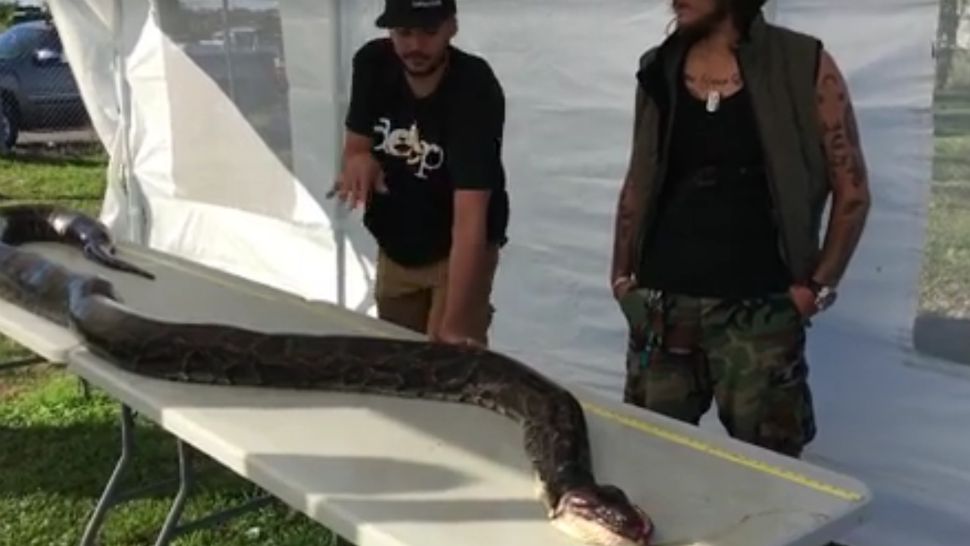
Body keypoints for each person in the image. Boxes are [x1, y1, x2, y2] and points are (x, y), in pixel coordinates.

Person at [609, 0, 871, 458]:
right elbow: (638, 178)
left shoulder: (802, 62)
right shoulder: (659, 67)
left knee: (771, 472)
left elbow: (853, 192)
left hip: (762, 311)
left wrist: (817, 287)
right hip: (663, 306)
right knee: (649, 460)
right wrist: (621, 277)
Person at [334, 0, 509, 347]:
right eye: (404, 32)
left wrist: (456, 326)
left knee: (449, 361)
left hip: (457, 249)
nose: (415, 46)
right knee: (397, 354)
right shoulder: (372, 64)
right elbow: (355, 148)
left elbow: (471, 218)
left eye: (429, 32)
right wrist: (359, 160)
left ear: (452, 27)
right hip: (396, 245)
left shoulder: (474, 87)